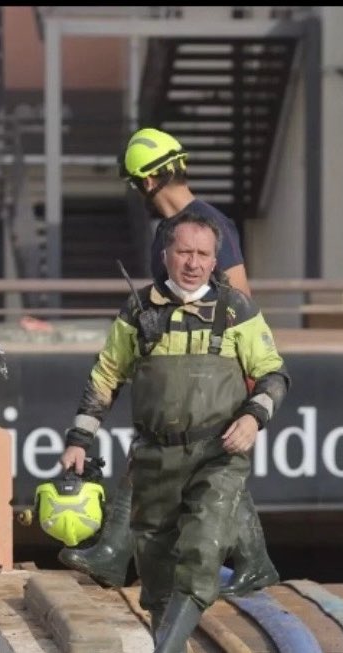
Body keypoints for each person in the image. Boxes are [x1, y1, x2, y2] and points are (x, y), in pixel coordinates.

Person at [58, 126, 279, 597]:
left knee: (175, 454)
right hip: (176, 365)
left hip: (214, 370)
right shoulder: (169, 229)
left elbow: (241, 298)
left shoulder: (209, 224)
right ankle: (255, 562)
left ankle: (115, 554)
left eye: (136, 183)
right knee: (197, 458)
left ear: (147, 181)